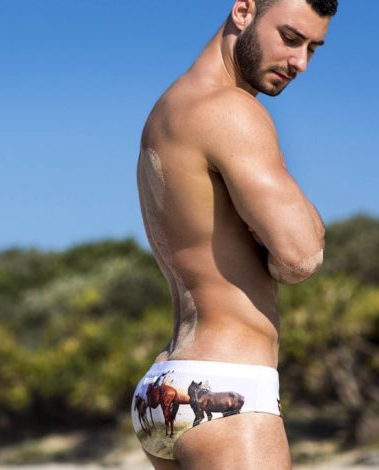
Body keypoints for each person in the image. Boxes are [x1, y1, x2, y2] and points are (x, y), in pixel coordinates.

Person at [130, 0, 336, 468]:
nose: (300, 62)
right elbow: (301, 256)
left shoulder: (168, 110)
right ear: (243, 11)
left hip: (164, 381)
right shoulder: (231, 110)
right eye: (290, 38)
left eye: (312, 48)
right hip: (228, 381)